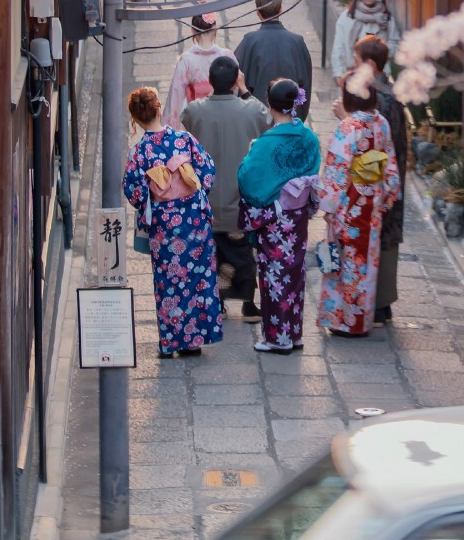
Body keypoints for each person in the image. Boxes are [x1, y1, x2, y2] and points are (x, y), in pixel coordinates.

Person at [122, 86, 224, 359]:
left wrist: (155, 194)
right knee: (196, 278)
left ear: (136, 119)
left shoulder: (139, 153)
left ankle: (170, 341)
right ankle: (194, 340)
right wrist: (188, 192)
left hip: (164, 226)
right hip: (193, 220)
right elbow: (208, 171)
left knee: (168, 282)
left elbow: (133, 192)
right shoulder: (184, 140)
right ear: (158, 109)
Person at [238, 78, 322, 353]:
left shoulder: (267, 142)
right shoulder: (308, 137)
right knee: (294, 273)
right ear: (296, 103)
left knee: (274, 276)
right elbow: (311, 170)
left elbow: (249, 176)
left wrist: (250, 155)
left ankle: (277, 338)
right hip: (296, 217)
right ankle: (294, 333)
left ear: (270, 105)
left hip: (275, 217)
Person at [182, 56, 269, 323]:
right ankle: (248, 303)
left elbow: (185, 120)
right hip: (238, 202)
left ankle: (216, 301)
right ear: (234, 80)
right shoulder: (251, 111)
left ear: (210, 82)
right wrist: (244, 89)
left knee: (212, 254)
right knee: (243, 253)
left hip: (206, 202)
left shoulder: (195, 111)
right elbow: (267, 116)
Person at [317, 84, 400, 339]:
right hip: (372, 204)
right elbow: (390, 167)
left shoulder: (348, 126)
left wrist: (328, 206)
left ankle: (344, 321)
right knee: (365, 262)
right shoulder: (381, 122)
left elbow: (336, 170)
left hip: (349, 204)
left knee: (345, 262)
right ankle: (360, 320)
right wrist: (385, 198)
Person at [355, 34, 408, 325]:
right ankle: (381, 303)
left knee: (377, 235)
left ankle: (376, 302)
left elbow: (370, 143)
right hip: (389, 177)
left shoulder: (380, 98)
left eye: (357, 61)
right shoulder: (388, 91)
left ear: (371, 65)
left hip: (377, 178)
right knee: (385, 236)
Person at [235, 0, 313, 117]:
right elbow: (305, 87)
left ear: (258, 13)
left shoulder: (250, 42)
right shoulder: (297, 42)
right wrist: (299, 117)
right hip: (290, 118)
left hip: (258, 119)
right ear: (281, 9)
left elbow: (239, 82)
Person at [162, 13, 236, 127]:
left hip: (197, 120)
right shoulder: (228, 56)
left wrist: (173, 130)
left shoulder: (186, 60)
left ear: (193, 31)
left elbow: (176, 99)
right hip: (227, 118)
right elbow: (236, 90)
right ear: (215, 29)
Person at [330, 0, 400, 85]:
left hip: (378, 77)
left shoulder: (386, 18)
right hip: (352, 75)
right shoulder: (347, 16)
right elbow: (338, 47)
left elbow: (396, 43)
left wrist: (381, 50)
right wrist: (338, 73)